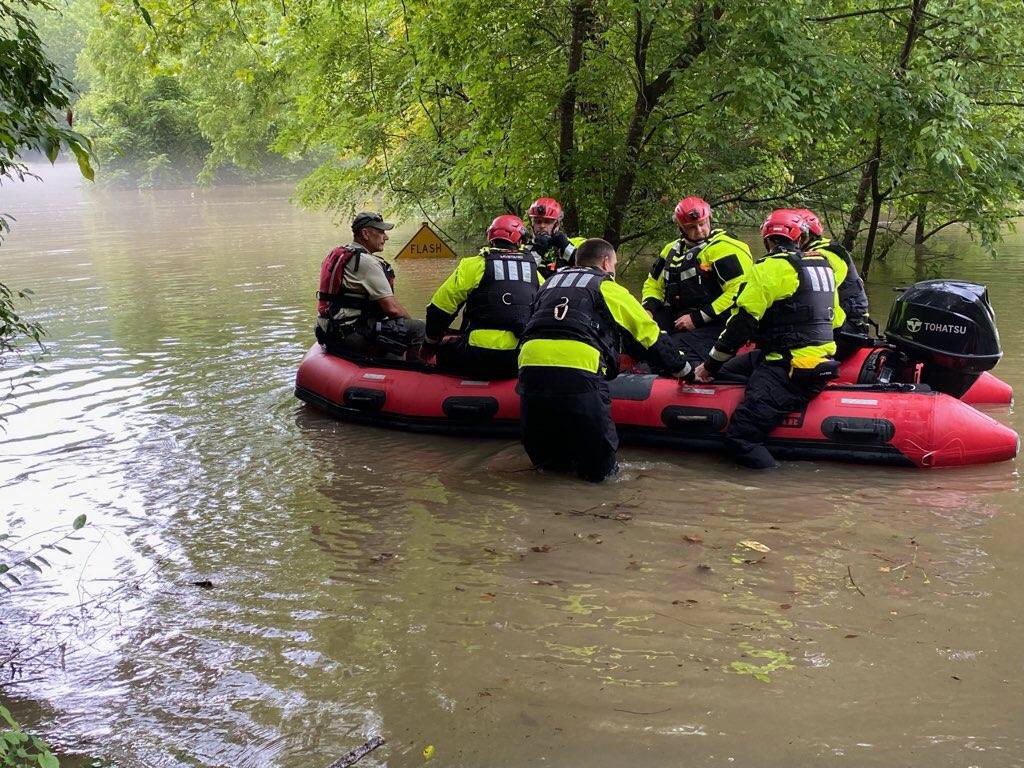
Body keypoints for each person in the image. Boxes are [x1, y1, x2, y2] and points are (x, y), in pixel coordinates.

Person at [518, 238, 692, 482]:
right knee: (601, 470)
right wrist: (684, 370)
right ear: (606, 261)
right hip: (579, 373)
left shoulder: (548, 283)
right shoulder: (606, 287)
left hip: (530, 370)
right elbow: (649, 334)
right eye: (615, 265)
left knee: (549, 466)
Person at [693, 209, 844, 470]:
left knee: (740, 438)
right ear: (800, 238)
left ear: (767, 239)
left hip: (788, 369)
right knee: (729, 372)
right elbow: (837, 320)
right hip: (811, 359)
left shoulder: (768, 268)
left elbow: (740, 325)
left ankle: (776, 491)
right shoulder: (823, 267)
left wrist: (708, 365)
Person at [422, 214, 540, 379]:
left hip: (477, 356)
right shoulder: (534, 271)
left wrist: (429, 344)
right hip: (520, 358)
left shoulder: (473, 265)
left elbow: (438, 309)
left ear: (490, 239)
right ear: (520, 241)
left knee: (444, 350)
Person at [641, 196, 753, 365]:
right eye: (692, 227)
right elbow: (653, 285)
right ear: (681, 228)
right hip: (680, 316)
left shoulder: (725, 248)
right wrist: (648, 310)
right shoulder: (670, 250)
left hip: (716, 320)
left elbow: (740, 290)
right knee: (637, 335)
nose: (699, 230)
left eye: (702, 224)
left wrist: (698, 318)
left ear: (709, 219)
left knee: (674, 351)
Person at [315, 211, 425, 361]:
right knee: (419, 328)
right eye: (380, 232)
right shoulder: (367, 262)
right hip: (351, 335)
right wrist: (409, 323)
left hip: (330, 329)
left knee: (397, 329)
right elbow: (392, 309)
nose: (386, 237)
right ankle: (415, 371)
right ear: (365, 234)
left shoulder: (340, 254)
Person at [793, 208, 872, 359]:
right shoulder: (812, 252)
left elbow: (812, 294)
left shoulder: (827, 255)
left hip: (849, 330)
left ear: (806, 236)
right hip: (841, 325)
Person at [525, 197, 586, 277]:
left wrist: (565, 247)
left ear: (557, 224)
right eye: (538, 222)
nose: (542, 226)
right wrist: (536, 251)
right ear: (532, 224)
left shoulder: (579, 244)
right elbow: (522, 274)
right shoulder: (524, 250)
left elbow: (591, 268)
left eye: (547, 222)